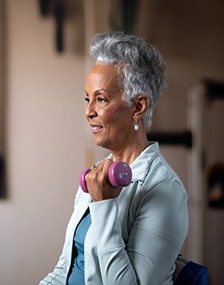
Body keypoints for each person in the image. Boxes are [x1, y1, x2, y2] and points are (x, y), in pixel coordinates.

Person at [39, 31, 189, 285]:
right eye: (87, 99)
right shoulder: (97, 174)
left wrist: (104, 206)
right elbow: (66, 268)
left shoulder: (165, 190)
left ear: (138, 107)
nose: (88, 112)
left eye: (100, 99)